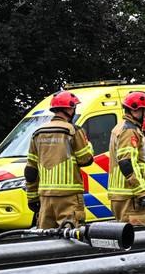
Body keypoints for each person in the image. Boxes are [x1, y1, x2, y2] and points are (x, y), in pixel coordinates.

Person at [24, 91, 95, 229]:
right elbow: (85, 159)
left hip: (45, 197)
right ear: (69, 108)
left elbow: (30, 170)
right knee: (71, 237)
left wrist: (32, 197)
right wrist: (89, 146)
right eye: (74, 107)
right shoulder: (73, 130)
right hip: (68, 197)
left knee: (47, 240)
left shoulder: (37, 133)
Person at [107, 90, 145, 225]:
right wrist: (141, 192)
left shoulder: (122, 127)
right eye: (144, 111)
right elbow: (127, 162)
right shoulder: (129, 130)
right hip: (132, 197)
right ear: (134, 110)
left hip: (126, 195)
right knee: (140, 239)